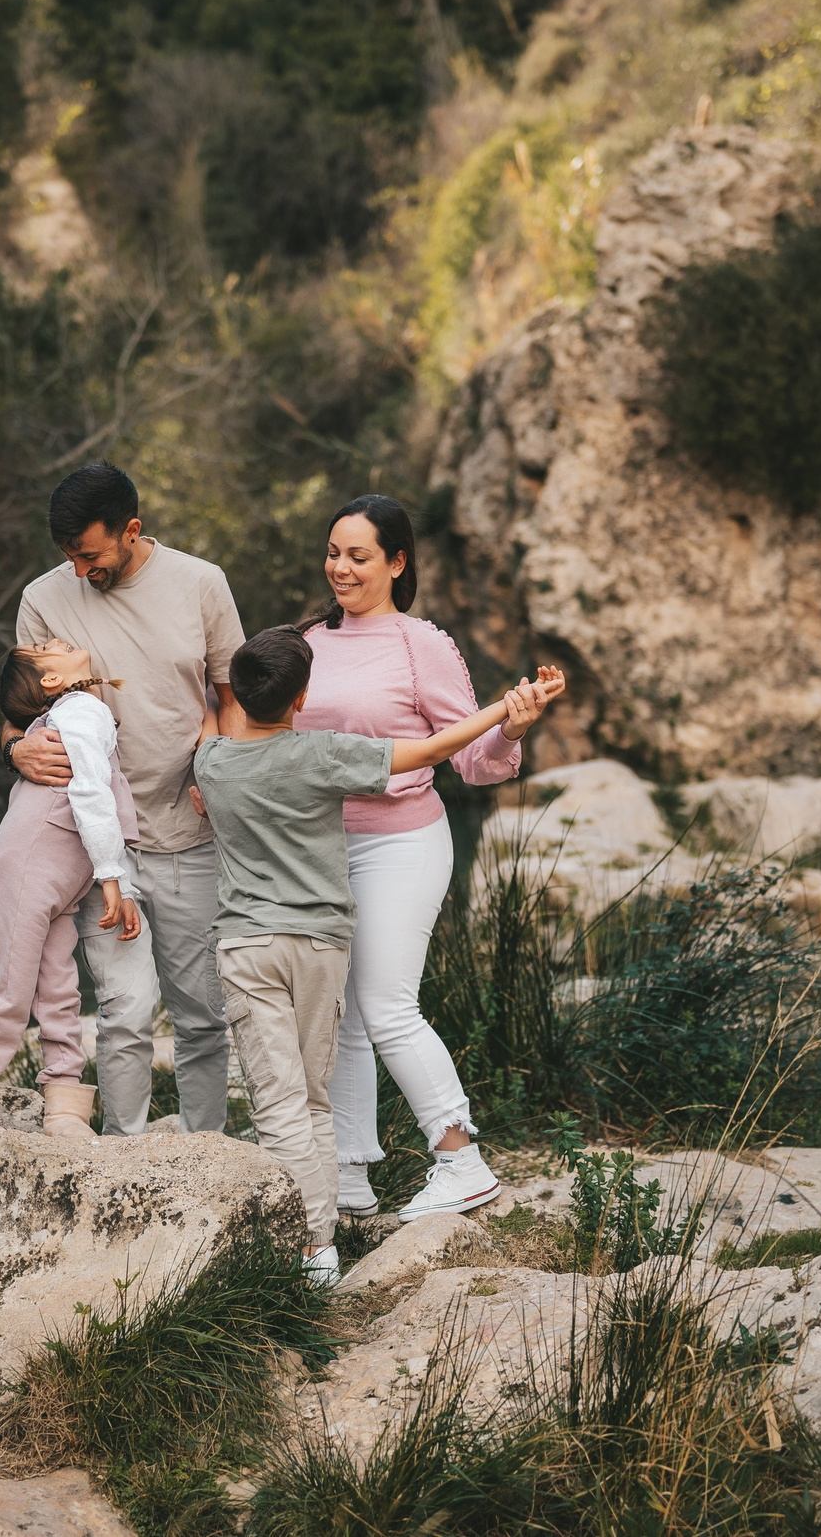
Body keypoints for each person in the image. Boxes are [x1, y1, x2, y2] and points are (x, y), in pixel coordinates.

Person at [193, 625, 559, 1287]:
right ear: (302, 699)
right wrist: (506, 711)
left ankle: (309, 1245)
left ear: (239, 698)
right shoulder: (322, 753)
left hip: (247, 945)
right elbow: (432, 747)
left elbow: (205, 718)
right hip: (319, 946)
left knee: (275, 1104)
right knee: (312, 1100)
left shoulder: (210, 762)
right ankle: (323, 1239)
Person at [295, 495, 563, 1221]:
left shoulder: (422, 645)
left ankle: (459, 1158)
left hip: (402, 840)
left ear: (397, 562)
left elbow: (475, 761)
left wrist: (511, 731)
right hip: (320, 848)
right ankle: (349, 1176)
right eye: (333, 552)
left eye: (359, 555)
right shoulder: (306, 640)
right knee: (341, 1015)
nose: (341, 567)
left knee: (385, 1003)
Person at [8, 464, 245, 1135]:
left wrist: (215, 769)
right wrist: (13, 749)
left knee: (202, 1010)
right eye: (68, 556)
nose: (79, 571)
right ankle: (123, 1152)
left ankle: (205, 1152)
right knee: (126, 1008)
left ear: (131, 530)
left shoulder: (202, 583)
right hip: (95, 843)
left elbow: (232, 698)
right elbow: (18, 713)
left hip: (189, 832)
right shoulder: (42, 599)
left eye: (90, 554)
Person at [0, 639, 143, 1141]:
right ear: (52, 680)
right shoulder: (80, 710)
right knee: (10, 988)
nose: (54, 640)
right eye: (43, 647)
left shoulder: (76, 707)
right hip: (28, 866)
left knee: (59, 991)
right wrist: (110, 873)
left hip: (60, 877)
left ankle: (64, 1105)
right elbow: (91, 789)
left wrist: (118, 879)